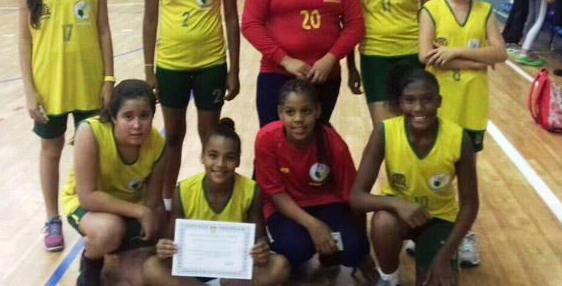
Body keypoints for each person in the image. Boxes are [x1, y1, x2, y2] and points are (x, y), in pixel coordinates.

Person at [16, 0, 114, 252]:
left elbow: (104, 31)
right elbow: (24, 39)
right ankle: (52, 217)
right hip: (49, 85)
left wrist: (108, 79)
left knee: (93, 152)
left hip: (89, 82)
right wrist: (29, 91)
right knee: (50, 150)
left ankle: (93, 211)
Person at [143, 0, 240, 210]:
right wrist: (148, 70)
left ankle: (211, 201)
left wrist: (234, 70)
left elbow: (231, 18)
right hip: (170, 66)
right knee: (172, 137)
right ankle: (167, 203)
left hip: (211, 64)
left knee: (210, 139)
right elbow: (150, 18)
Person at [418, 0, 506, 267]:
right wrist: (477, 61)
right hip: (439, 105)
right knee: (435, 170)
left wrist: (455, 53)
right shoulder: (431, 9)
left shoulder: (485, 11)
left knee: (466, 174)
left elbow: (500, 53)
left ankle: (464, 235)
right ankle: (428, 228)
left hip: (472, 105)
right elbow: (426, 56)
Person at [350, 69, 479, 286]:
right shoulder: (385, 132)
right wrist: (398, 203)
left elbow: (470, 205)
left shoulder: (458, 138)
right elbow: (356, 197)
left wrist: (445, 256)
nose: (418, 108)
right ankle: (389, 278)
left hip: (439, 219)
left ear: (439, 101)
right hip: (399, 218)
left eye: (427, 100)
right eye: (410, 100)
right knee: (383, 222)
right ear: (400, 103)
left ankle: (435, 253)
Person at [142, 118, 291, 286]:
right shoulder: (183, 190)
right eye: (213, 156)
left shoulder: (251, 190)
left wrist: (261, 248)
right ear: (202, 156)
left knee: (280, 265)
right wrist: (165, 246)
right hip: (192, 270)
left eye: (229, 158)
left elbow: (260, 237)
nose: (220, 164)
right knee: (151, 267)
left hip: (232, 273)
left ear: (238, 161)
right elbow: (171, 238)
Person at [254, 80, 374, 277]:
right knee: (294, 247)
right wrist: (313, 225)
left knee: (353, 249)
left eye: (306, 111)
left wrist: (364, 249)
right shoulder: (266, 139)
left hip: (327, 203)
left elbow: (353, 197)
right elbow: (275, 194)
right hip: (284, 206)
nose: (298, 119)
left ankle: (329, 258)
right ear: (280, 113)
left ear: (317, 111)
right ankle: (292, 263)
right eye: (290, 112)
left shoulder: (334, 143)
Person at [60, 80, 167, 286]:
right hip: (86, 206)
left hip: (130, 211)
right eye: (128, 116)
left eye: (144, 116)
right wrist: (141, 212)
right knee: (108, 231)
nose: (137, 125)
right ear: (113, 117)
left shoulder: (158, 144)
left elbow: (153, 202)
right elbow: (87, 196)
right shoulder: (90, 131)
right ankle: (91, 262)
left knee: (140, 279)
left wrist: (162, 237)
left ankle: (112, 259)